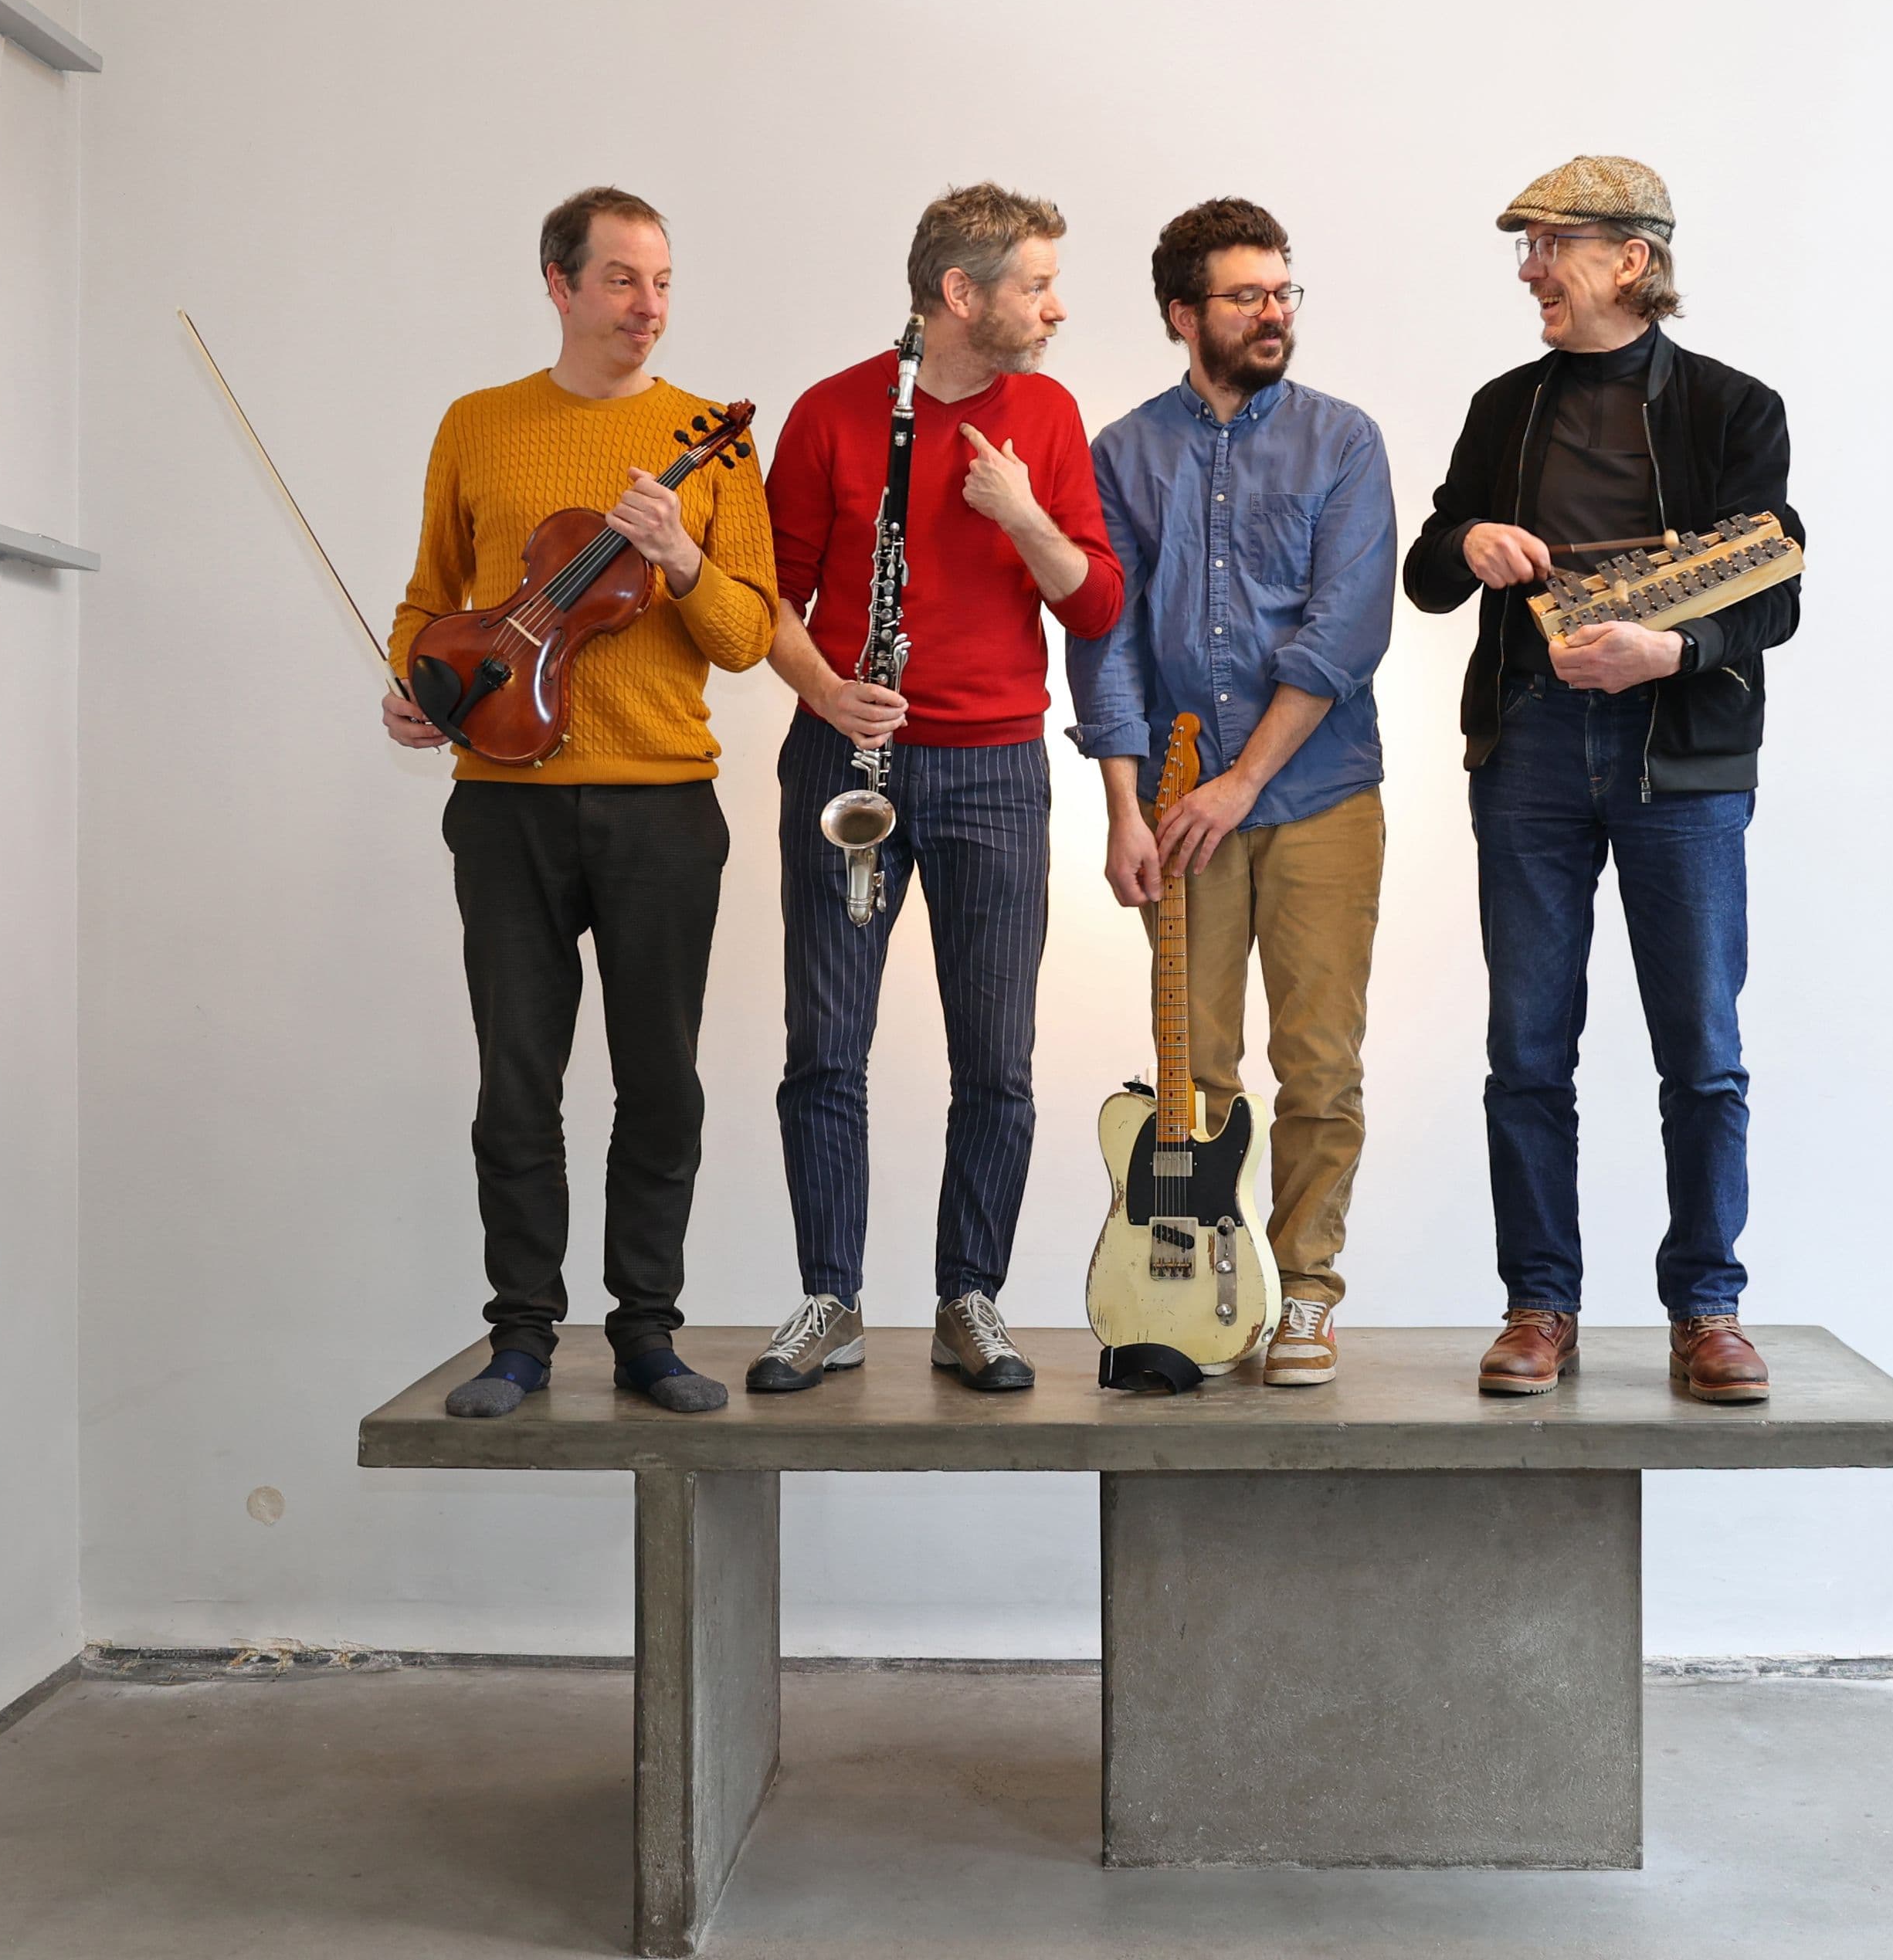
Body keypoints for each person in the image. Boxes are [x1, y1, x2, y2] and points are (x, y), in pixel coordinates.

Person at [1402, 157, 1802, 1405]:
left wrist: (1667, 649)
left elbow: (1774, 590)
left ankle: (1708, 1308)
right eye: (1525, 248)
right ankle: (1538, 1304)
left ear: (1630, 260)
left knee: (1702, 1051)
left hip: (1676, 762)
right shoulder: (1501, 407)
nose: (1529, 271)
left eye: (1549, 245)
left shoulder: (1735, 407)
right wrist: (1465, 540)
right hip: (1526, 750)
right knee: (1525, 1048)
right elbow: (1425, 571)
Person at [385, 185, 778, 1419]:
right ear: (557, 284)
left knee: (659, 1079)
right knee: (516, 1076)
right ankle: (520, 1334)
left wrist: (679, 558)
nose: (647, 306)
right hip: (505, 803)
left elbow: (748, 632)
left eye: (661, 282)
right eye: (620, 279)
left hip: (662, 806)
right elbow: (428, 598)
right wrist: (415, 683)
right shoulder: (478, 424)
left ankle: (648, 1332)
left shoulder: (711, 435)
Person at [751, 182, 1123, 1395]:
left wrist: (1020, 513)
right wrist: (824, 691)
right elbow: (769, 600)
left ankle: (970, 1296)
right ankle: (831, 1299)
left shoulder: (1049, 417)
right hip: (849, 755)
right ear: (961, 294)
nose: (1054, 307)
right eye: (1035, 284)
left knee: (997, 1060)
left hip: (996, 767)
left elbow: (1096, 602)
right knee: (826, 1045)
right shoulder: (830, 413)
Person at [1067, 198, 1394, 1386]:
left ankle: (1303, 1293)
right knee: (1189, 1073)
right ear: (1181, 314)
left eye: (1283, 291)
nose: (1273, 313)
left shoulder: (1342, 440)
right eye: (1247, 295)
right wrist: (1122, 806)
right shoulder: (1122, 454)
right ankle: (1202, 1297)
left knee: (1316, 1062)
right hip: (1172, 804)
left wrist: (1241, 779)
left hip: (1315, 797)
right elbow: (1102, 638)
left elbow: (1344, 628)